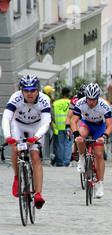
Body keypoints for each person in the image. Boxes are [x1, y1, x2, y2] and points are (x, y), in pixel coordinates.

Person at [1, 75, 51, 209]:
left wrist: (36, 137)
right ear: (21, 90)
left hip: (36, 126)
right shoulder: (15, 98)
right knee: (16, 149)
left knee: (35, 156)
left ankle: (38, 193)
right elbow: (6, 118)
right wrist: (8, 136)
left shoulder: (44, 100)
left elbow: (46, 123)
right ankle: (17, 177)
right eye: (26, 90)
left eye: (33, 90)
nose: (29, 93)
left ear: (38, 90)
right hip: (18, 125)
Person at [71, 83, 112, 199]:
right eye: (89, 99)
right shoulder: (80, 103)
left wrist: (104, 136)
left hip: (100, 126)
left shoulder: (104, 105)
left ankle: (100, 184)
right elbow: (74, 121)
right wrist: (76, 134)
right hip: (86, 124)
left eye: (94, 100)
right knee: (80, 137)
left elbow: (110, 126)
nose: (91, 102)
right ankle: (82, 158)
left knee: (99, 154)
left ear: (98, 98)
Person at [52, 87, 72, 166]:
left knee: (61, 145)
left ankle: (61, 161)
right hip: (68, 127)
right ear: (68, 94)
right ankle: (66, 161)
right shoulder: (71, 103)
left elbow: (52, 115)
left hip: (59, 127)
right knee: (68, 144)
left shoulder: (56, 103)